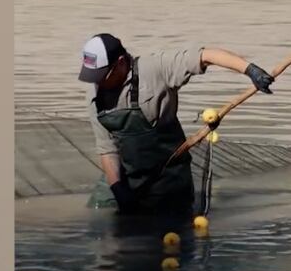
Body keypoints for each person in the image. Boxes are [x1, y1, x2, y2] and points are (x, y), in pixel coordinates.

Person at [77, 33, 277, 215]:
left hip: (167, 178)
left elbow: (206, 56)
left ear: (120, 63)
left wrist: (250, 70)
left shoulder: (155, 68)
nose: (97, 83)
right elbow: (107, 149)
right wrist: (118, 190)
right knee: (100, 225)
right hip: (125, 178)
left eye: (103, 76)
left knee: (169, 232)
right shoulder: (94, 95)